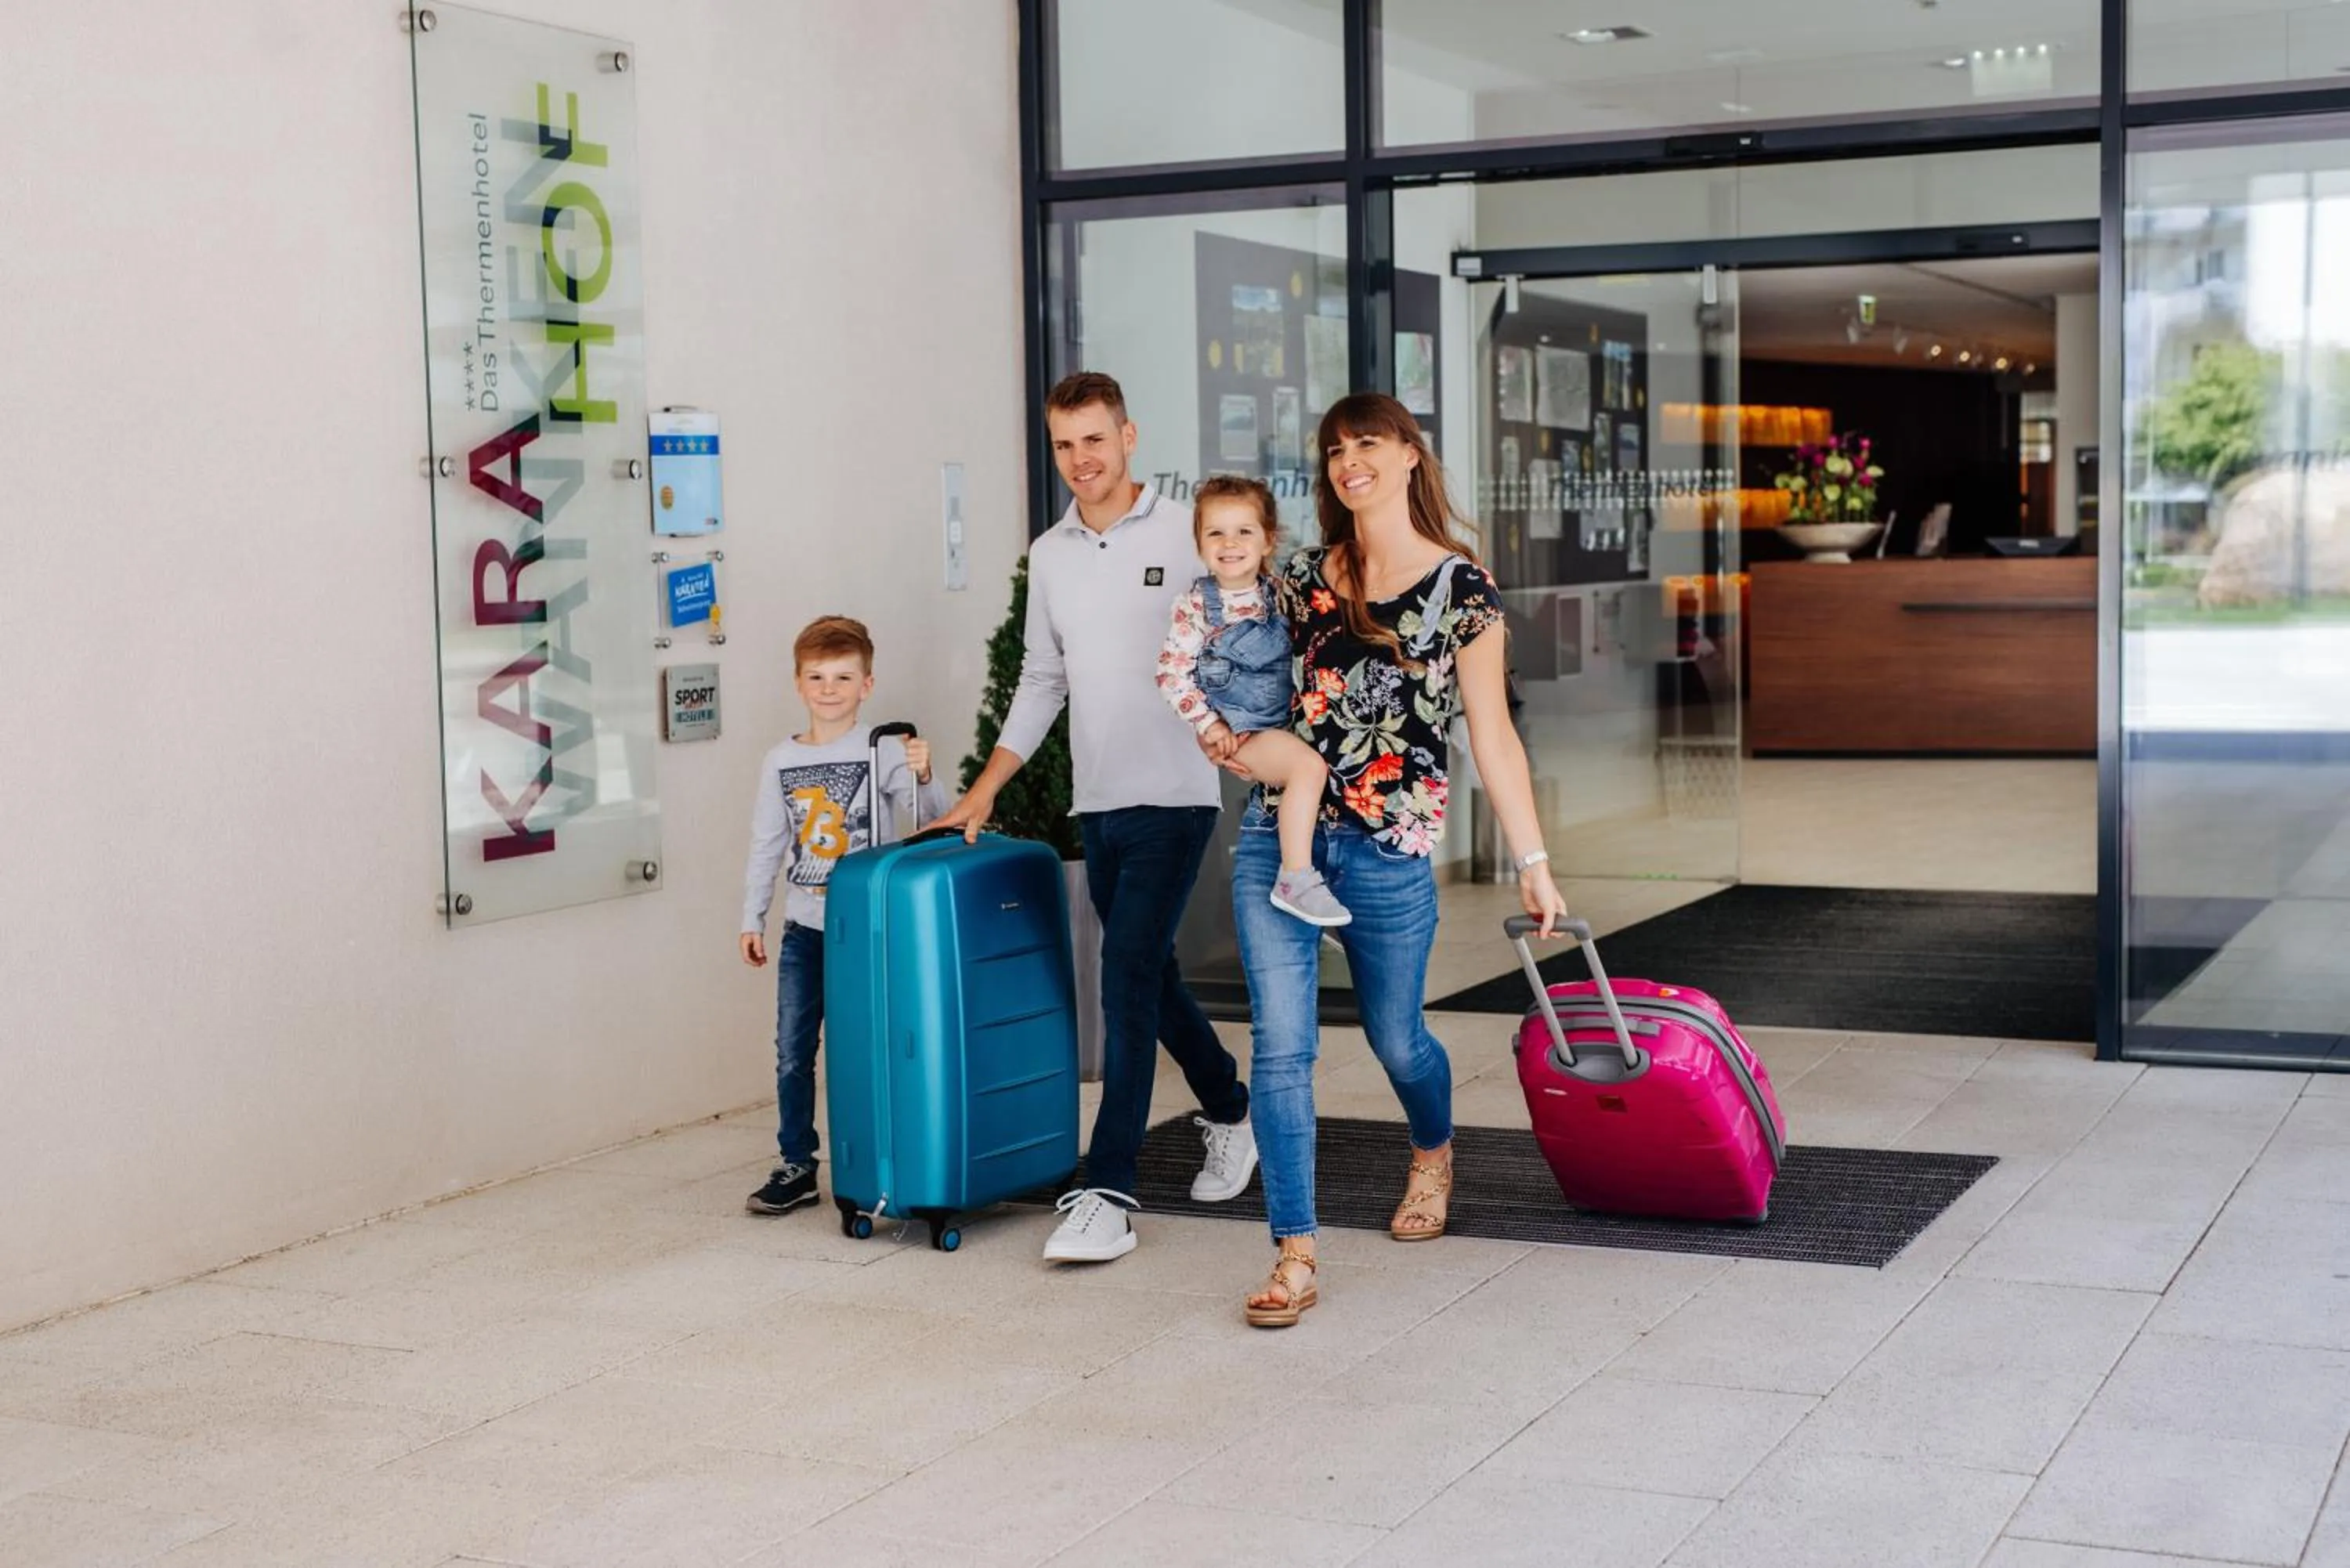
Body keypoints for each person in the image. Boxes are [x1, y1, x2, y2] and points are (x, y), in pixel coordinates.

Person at [1216, 393, 1567, 1328]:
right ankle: (1294, 1252)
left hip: (1386, 849)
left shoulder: (1465, 592)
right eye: (1334, 449)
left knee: (1396, 1037)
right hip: (1279, 839)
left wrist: (1531, 858)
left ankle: (1433, 1148)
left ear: (1411, 455)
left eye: (1366, 443)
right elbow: (1241, 681)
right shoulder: (1297, 578)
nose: (1347, 462)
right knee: (1281, 1049)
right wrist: (1224, 734)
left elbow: (1492, 736)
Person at [929, 371, 1256, 1264]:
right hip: (1099, 799)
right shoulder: (1051, 553)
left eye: (1095, 440)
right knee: (1151, 975)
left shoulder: (1189, 536)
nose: (1081, 459)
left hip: (1179, 795)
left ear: (1129, 435)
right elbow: (1043, 679)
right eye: (1065, 444)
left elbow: (1245, 634)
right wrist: (988, 785)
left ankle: (1108, 1187)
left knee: (1123, 976)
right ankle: (1231, 1107)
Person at [739, 616, 946, 1216]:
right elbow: (766, 843)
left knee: (871, 1043)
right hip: (805, 928)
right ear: (799, 684)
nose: (829, 688)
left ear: (867, 685)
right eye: (817, 677)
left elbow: (929, 818)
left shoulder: (881, 749)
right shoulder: (779, 759)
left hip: (867, 931)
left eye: (843, 677)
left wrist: (923, 771)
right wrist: (751, 916)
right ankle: (797, 1163)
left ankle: (884, 1151)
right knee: (792, 1049)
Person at [1155, 475, 1349, 928]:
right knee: (1308, 770)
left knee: (1321, 773)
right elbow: (1171, 673)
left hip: (1284, 723)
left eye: (1244, 531)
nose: (1230, 543)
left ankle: (1320, 890)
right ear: (1199, 542)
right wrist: (1209, 726)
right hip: (1245, 732)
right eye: (1216, 532)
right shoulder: (1195, 607)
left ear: (1268, 540)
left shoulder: (1281, 595)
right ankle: (1295, 878)